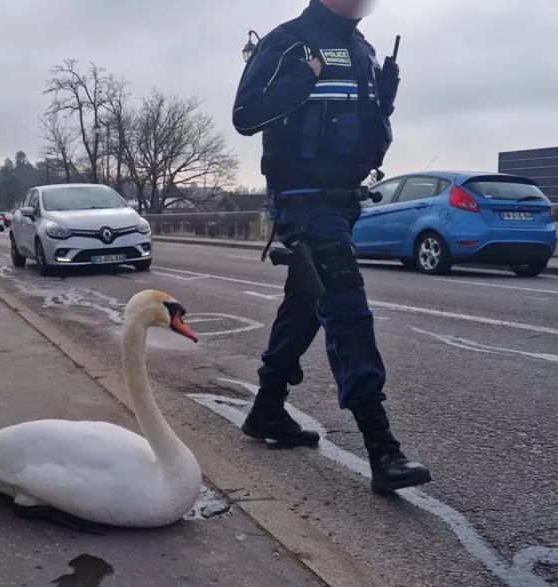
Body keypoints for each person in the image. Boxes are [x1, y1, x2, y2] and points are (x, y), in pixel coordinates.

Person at [232, 0, 431, 493]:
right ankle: (382, 449)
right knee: (346, 305)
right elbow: (245, 115)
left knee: (306, 301)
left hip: (342, 200)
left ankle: (267, 410)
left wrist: (383, 100)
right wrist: (301, 76)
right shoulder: (289, 40)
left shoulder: (361, 47)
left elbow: (360, 124)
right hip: (302, 201)